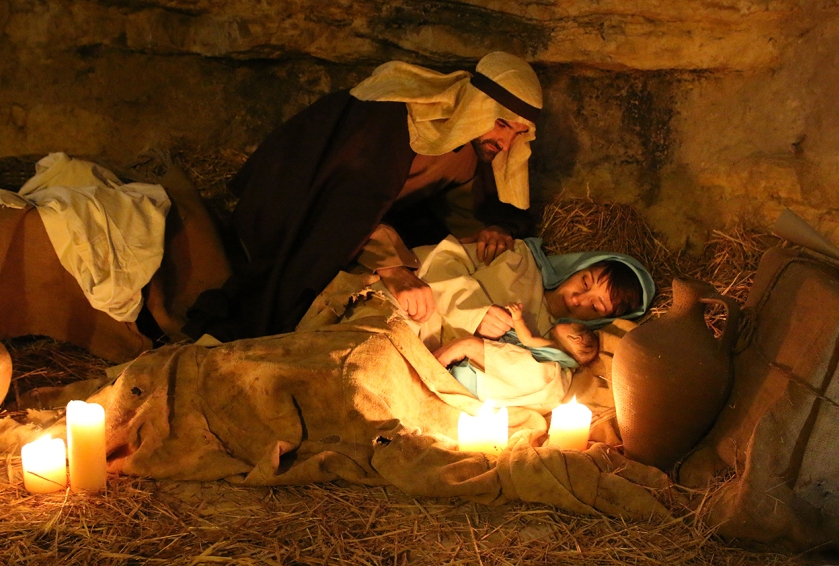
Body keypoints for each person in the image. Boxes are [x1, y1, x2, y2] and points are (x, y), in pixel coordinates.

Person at [184, 52, 544, 341]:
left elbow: (466, 207)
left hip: (363, 218)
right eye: (501, 124)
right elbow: (343, 207)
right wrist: (393, 268)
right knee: (277, 304)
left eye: (518, 133)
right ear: (477, 108)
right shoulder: (387, 121)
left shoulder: (474, 146)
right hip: (292, 206)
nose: (506, 143)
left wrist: (493, 227)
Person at [418, 241, 651, 409]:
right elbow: (444, 258)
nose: (577, 299)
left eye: (595, 307)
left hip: (436, 376)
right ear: (579, 266)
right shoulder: (519, 259)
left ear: (602, 320)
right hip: (415, 315)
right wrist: (473, 312)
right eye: (585, 281)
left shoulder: (556, 349)